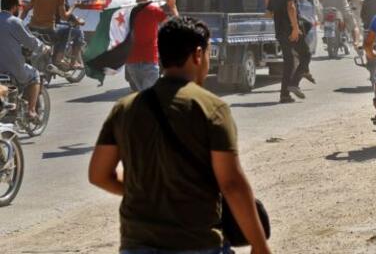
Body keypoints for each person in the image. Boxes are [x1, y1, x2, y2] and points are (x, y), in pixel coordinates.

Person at [89, 16, 271, 254]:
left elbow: (99, 175)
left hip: (136, 244)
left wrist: (148, 191)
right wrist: (259, 245)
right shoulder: (211, 108)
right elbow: (231, 184)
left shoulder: (125, 108)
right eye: (206, 54)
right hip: (197, 243)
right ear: (198, 54)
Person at [267, 0, 313, 103]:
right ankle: (294, 83)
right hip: (290, 29)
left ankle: (284, 95)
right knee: (306, 54)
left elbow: (269, 12)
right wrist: (294, 28)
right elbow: (291, 7)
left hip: (280, 31)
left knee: (288, 62)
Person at [23, 0, 86, 69]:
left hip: (33, 28)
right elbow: (64, 17)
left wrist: (19, 22)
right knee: (68, 30)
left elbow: (26, 9)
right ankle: (60, 59)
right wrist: (74, 6)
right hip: (48, 30)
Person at [126, 0, 178, 92]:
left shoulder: (129, 10)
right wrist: (173, 7)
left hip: (131, 63)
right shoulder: (153, 10)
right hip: (148, 61)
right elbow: (175, 25)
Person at [0, 0, 45, 120]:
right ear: (14, 7)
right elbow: (31, 42)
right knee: (35, 75)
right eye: (20, 6)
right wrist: (44, 48)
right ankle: (31, 111)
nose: (21, 8)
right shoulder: (15, 22)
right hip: (11, 68)